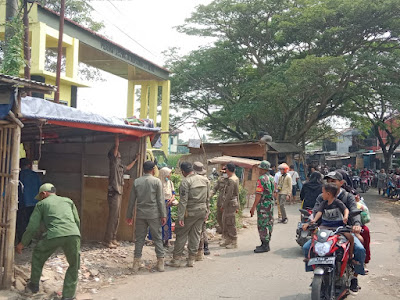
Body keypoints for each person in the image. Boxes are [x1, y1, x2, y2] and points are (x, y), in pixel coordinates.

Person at [303, 171, 366, 295]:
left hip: (343, 230)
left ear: (341, 183)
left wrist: (356, 225)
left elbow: (353, 210)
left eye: (333, 181)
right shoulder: (322, 197)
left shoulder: (347, 197)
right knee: (307, 248)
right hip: (325, 230)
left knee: (359, 249)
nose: (330, 183)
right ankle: (317, 274)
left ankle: (354, 277)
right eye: (328, 181)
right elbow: (316, 212)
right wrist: (310, 222)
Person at [16, 183, 80, 300]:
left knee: (38, 255)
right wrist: (75, 236)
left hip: (54, 234)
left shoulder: (41, 204)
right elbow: (77, 220)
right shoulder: (68, 201)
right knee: (74, 264)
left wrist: (22, 243)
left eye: (40, 197)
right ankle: (68, 296)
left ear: (43, 194)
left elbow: (32, 227)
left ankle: (34, 285)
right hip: (73, 234)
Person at [126, 161, 166, 272]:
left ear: (143, 169)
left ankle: (136, 263)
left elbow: (131, 201)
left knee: (139, 238)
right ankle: (160, 262)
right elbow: (160, 201)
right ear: (153, 169)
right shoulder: (157, 182)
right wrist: (163, 215)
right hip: (153, 214)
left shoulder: (137, 182)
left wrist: (129, 215)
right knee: (157, 238)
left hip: (140, 214)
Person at [169, 162, 209, 268]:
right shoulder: (205, 180)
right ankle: (191, 259)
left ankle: (176, 260)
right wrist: (207, 212)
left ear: (183, 172)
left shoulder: (185, 182)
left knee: (181, 234)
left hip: (189, 212)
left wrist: (180, 217)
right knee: (196, 234)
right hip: (202, 211)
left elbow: (183, 201)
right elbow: (208, 198)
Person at [105, 134, 139, 249]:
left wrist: (135, 159)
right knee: (113, 217)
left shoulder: (119, 165)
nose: (119, 153)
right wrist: (116, 142)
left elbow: (128, 168)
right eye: (118, 153)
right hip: (114, 192)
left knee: (117, 217)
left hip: (118, 193)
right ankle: (108, 240)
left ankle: (113, 238)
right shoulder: (113, 163)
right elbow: (115, 151)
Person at [303, 183, 354, 259]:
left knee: (350, 237)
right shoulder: (323, 203)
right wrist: (314, 220)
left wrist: (345, 217)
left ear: (328, 194)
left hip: (338, 227)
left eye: (323, 192)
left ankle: (350, 256)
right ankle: (310, 257)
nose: (321, 194)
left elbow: (346, 209)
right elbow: (319, 212)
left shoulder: (338, 202)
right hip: (325, 227)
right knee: (314, 237)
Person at [250, 160, 275, 253]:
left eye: (260, 168)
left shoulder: (261, 179)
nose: (259, 169)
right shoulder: (272, 178)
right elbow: (274, 192)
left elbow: (258, 194)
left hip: (263, 205)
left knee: (262, 224)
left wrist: (253, 207)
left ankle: (265, 245)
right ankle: (266, 243)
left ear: (263, 169)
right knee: (269, 223)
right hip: (270, 204)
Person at [16, 158, 41, 243]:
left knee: (21, 222)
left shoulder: (18, 175)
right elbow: (39, 188)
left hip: (22, 203)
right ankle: (28, 240)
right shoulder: (35, 175)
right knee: (30, 222)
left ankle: (21, 241)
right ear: (29, 165)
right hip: (34, 202)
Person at [193, 161, 211, 260]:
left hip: (195, 209)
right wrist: (208, 210)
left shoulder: (193, 180)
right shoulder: (207, 180)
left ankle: (198, 251)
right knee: (203, 228)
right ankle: (205, 247)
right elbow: (208, 198)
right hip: (204, 208)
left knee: (197, 231)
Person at [220, 163, 240, 249]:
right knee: (225, 221)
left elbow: (229, 194)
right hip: (231, 203)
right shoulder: (234, 178)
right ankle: (228, 239)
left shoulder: (232, 180)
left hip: (230, 203)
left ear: (228, 170)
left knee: (230, 222)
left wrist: (223, 205)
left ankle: (233, 241)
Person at [210, 166, 228, 234]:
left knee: (226, 220)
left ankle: (226, 235)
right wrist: (209, 196)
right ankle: (224, 232)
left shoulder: (231, 180)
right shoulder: (220, 179)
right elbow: (215, 189)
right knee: (219, 218)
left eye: (225, 172)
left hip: (227, 203)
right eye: (222, 172)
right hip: (220, 202)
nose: (223, 173)